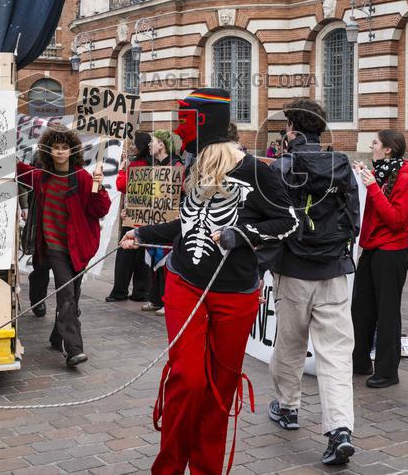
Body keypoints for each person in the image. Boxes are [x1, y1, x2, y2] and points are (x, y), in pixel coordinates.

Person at [119, 88, 300, 475]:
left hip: (235, 294)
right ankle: (167, 469)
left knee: (219, 389)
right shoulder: (193, 167)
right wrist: (143, 233)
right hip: (185, 285)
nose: (177, 131)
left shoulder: (257, 171)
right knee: (187, 378)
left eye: (184, 121)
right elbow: (187, 226)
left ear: (203, 123)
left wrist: (243, 233)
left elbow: (288, 221)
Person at [267, 99, 361, 466]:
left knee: (290, 343)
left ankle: (288, 406)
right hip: (334, 269)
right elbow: (354, 217)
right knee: (335, 353)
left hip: (293, 269)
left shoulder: (281, 166)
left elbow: (273, 221)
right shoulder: (342, 165)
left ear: (291, 129)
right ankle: (340, 429)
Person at [17, 124, 110, 368]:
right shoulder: (42, 177)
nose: (60, 152)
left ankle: (57, 338)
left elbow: (99, 210)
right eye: (55, 147)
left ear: (72, 150)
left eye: (64, 147)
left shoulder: (82, 177)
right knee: (66, 294)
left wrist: (99, 189)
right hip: (53, 246)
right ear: (48, 151)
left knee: (72, 297)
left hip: (77, 247)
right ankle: (74, 349)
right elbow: (19, 169)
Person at [350, 130, 408, 390]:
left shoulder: (406, 178)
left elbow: (397, 219)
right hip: (372, 248)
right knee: (361, 309)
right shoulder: (379, 173)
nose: (372, 147)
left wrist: (371, 187)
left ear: (388, 149)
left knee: (387, 312)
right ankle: (359, 362)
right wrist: (361, 179)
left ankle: (388, 371)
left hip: (392, 251)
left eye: (376, 143)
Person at [140, 130, 184, 317]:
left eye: (153, 141)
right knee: (153, 262)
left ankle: (168, 300)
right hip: (155, 219)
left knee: (167, 264)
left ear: (162, 145)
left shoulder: (177, 166)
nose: (150, 145)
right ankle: (156, 298)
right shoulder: (153, 166)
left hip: (170, 222)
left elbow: (182, 193)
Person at [108, 131, 154, 303]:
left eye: (134, 144)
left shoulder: (135, 165)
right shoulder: (155, 165)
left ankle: (119, 291)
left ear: (141, 147)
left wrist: (122, 170)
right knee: (143, 256)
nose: (132, 146)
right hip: (149, 217)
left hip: (133, 216)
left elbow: (121, 185)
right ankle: (141, 292)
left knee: (125, 257)